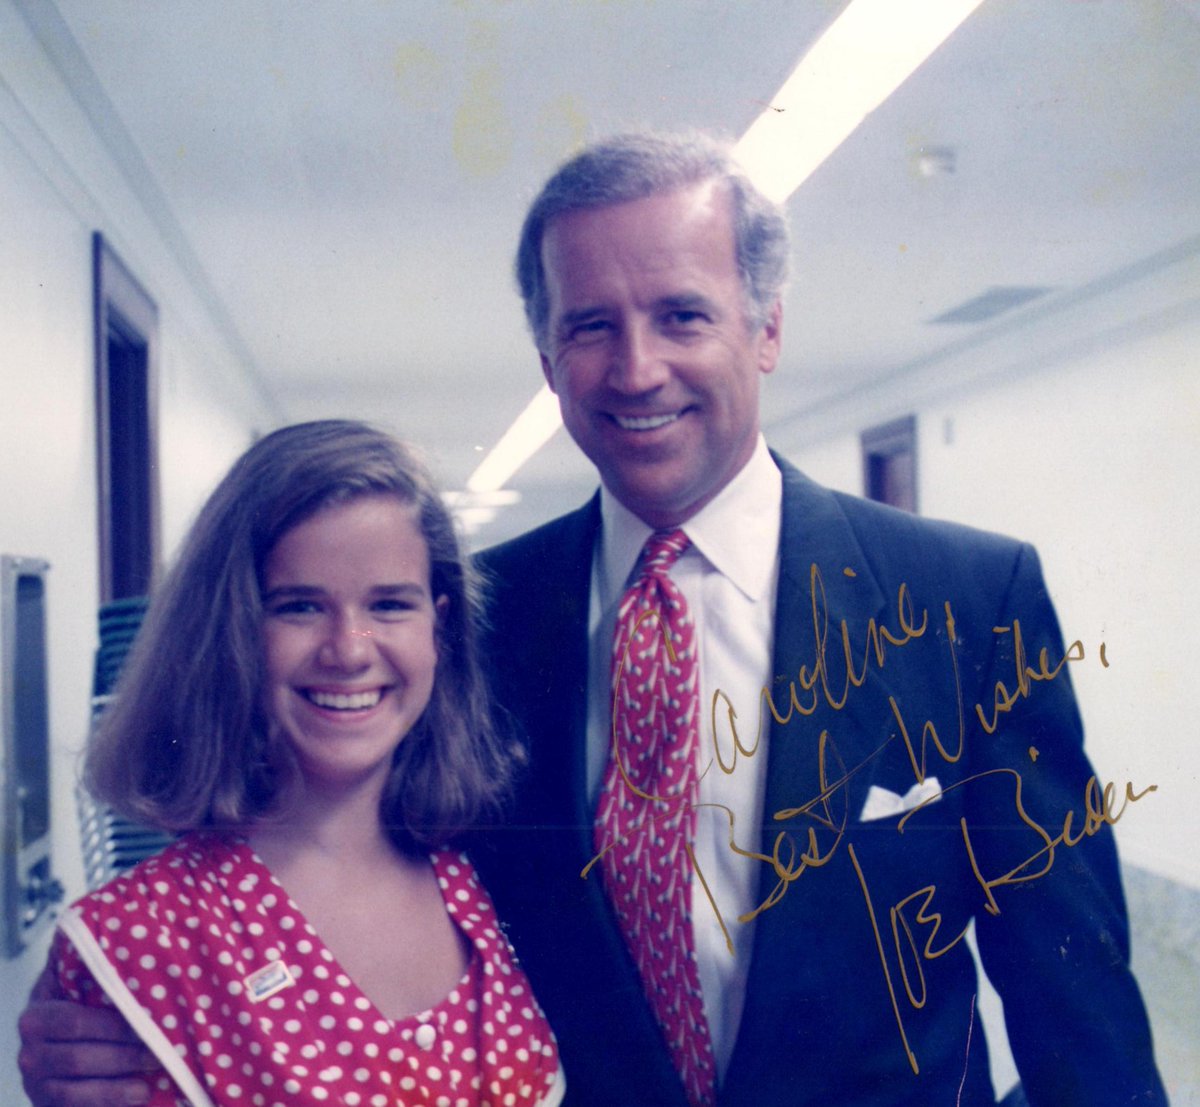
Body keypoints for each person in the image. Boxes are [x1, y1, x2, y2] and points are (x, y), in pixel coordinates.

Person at [19, 133, 1165, 1106]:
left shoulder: (966, 599)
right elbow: (323, 830)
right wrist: (122, 1004)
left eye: (681, 314)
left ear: (765, 329)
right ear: (546, 353)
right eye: (590, 327)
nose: (636, 368)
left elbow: (1076, 989)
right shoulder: (476, 615)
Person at [27, 420, 563, 1107]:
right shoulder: (141, 938)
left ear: (439, 627)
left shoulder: (492, 877)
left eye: (389, 603)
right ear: (232, 630)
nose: (348, 648)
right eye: (300, 606)